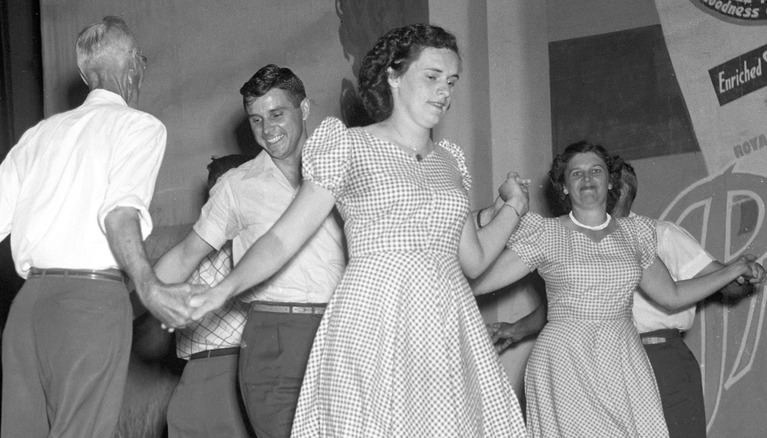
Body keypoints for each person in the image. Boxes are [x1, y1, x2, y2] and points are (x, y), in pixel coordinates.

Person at [188, 24, 530, 437]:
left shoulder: (449, 162)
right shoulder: (348, 146)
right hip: (375, 318)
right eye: (432, 77)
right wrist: (223, 290)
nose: (444, 91)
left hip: (445, 323)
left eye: (451, 81)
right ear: (393, 75)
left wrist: (513, 208)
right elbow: (282, 238)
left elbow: (473, 261)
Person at [471, 141, 767, 437]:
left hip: (624, 359)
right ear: (563, 186)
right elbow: (479, 279)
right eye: (576, 174)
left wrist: (734, 268)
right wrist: (504, 207)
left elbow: (672, 296)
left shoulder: (636, 235)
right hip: (565, 360)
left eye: (595, 170)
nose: (587, 179)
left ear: (610, 181)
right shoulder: (546, 233)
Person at [0, 16, 196, 437]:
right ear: (132, 67)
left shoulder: (39, 134)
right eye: (141, 61)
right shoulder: (140, 127)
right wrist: (149, 286)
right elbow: (118, 211)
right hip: (89, 304)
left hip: (27, 309)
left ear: (88, 74)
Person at [154, 64, 346, 438]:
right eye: (256, 119)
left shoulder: (347, 169)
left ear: (304, 109)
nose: (267, 129)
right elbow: (185, 255)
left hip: (341, 328)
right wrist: (135, 296)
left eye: (277, 114)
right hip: (271, 336)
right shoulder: (235, 186)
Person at [611, 158, 756, 438]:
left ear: (624, 191)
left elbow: (724, 282)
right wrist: (515, 328)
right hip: (607, 359)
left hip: (659, 356)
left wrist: (740, 275)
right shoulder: (582, 241)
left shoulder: (661, 234)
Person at [164, 154, 254, 438]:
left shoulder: (252, 248)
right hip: (202, 374)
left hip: (229, 371)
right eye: (215, 192)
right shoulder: (200, 250)